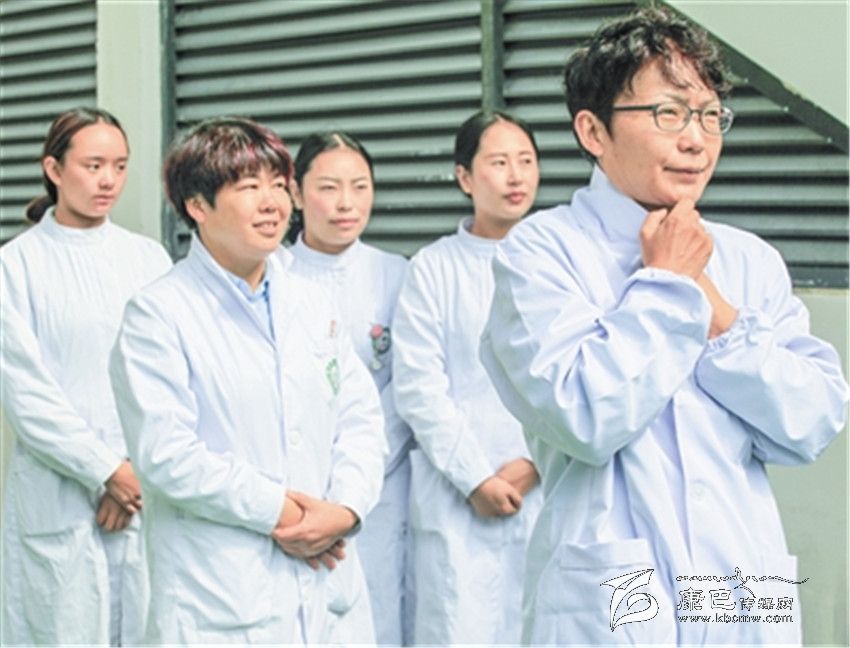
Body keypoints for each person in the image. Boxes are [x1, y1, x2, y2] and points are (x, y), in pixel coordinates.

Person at [479, 8, 849, 645]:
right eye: (669, 114)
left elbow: (812, 420)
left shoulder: (748, 260)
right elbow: (584, 415)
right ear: (593, 130)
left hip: (740, 576)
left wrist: (721, 316)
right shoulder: (541, 253)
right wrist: (669, 285)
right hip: (616, 584)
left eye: (709, 115)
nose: (696, 140)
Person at [108, 117, 387, 643]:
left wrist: (345, 509)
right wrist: (283, 511)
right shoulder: (159, 314)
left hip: (327, 587)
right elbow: (167, 454)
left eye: (278, 185)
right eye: (249, 187)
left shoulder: (310, 300)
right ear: (198, 205)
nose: (272, 203)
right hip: (221, 595)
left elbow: (360, 419)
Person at [0, 107, 172, 646]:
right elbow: (27, 395)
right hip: (60, 494)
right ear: (53, 169)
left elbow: (168, 376)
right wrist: (106, 471)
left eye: (119, 166)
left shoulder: (148, 259)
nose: (108, 181)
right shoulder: (15, 266)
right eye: (93, 165)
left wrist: (131, 475)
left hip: (143, 488)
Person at [392, 110, 543, 645]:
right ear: (464, 177)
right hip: (459, 494)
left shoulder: (561, 262)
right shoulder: (433, 268)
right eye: (498, 163)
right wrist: (476, 477)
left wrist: (537, 461)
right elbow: (418, 387)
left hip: (547, 483)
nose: (515, 176)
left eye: (526, 161)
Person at [284, 131, 414, 645]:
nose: (346, 203)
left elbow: (408, 385)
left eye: (360, 187)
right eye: (329, 188)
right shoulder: (274, 275)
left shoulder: (397, 274)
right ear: (295, 194)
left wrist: (356, 478)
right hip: (299, 491)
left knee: (381, 617)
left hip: (383, 485)